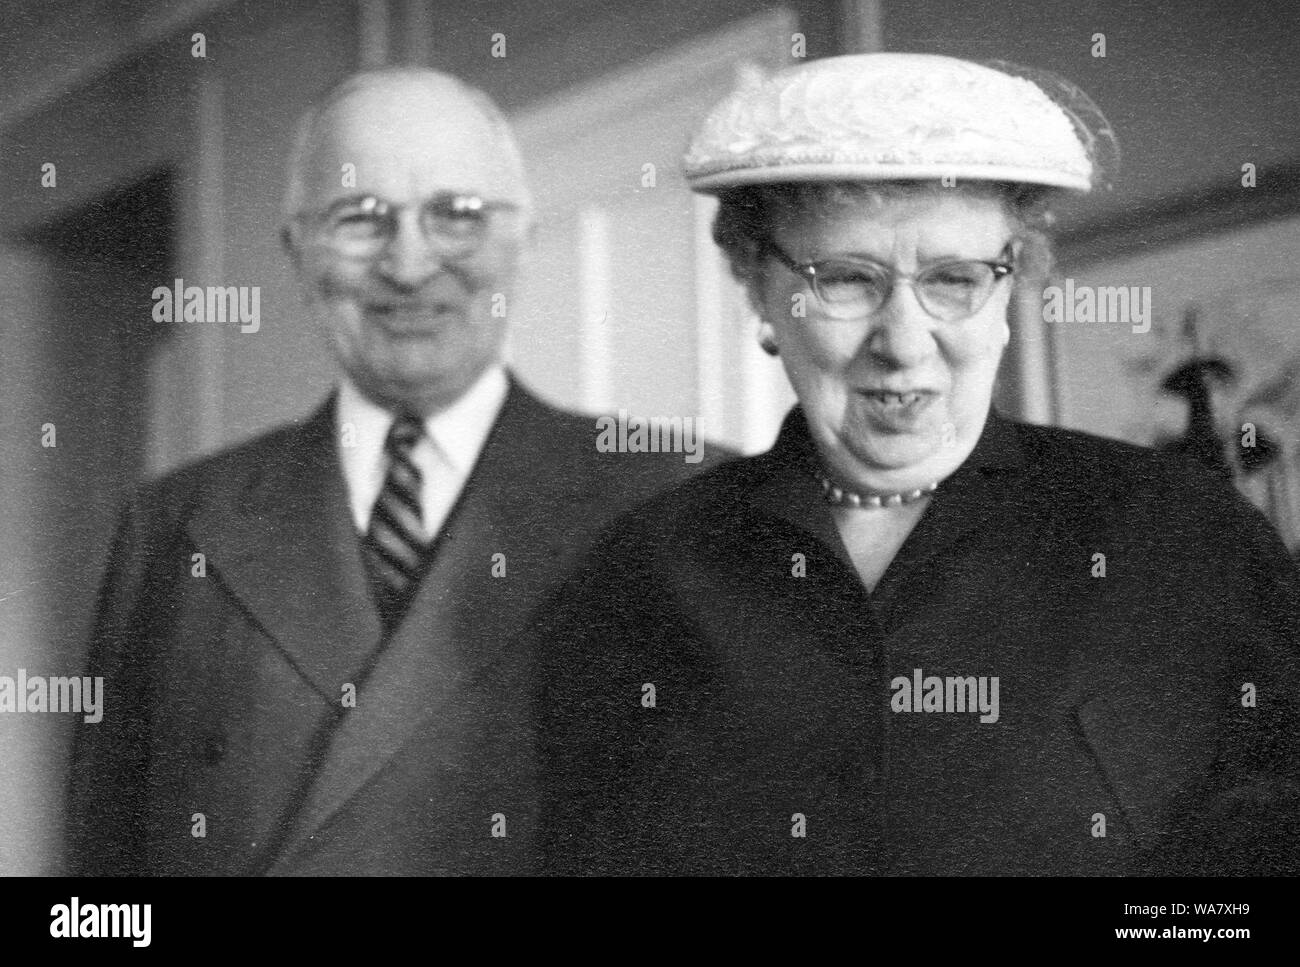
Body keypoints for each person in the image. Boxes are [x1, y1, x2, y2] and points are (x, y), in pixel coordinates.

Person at [535, 53, 1300, 875]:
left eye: (955, 279)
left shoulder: (1184, 537)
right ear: (759, 293)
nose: (903, 341)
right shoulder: (641, 575)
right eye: (846, 280)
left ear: (1009, 290)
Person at [65, 67, 724, 876]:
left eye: (457, 216)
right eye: (360, 218)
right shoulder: (177, 522)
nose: (410, 265)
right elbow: (101, 879)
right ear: (296, 249)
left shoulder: (685, 496)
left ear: (522, 239)